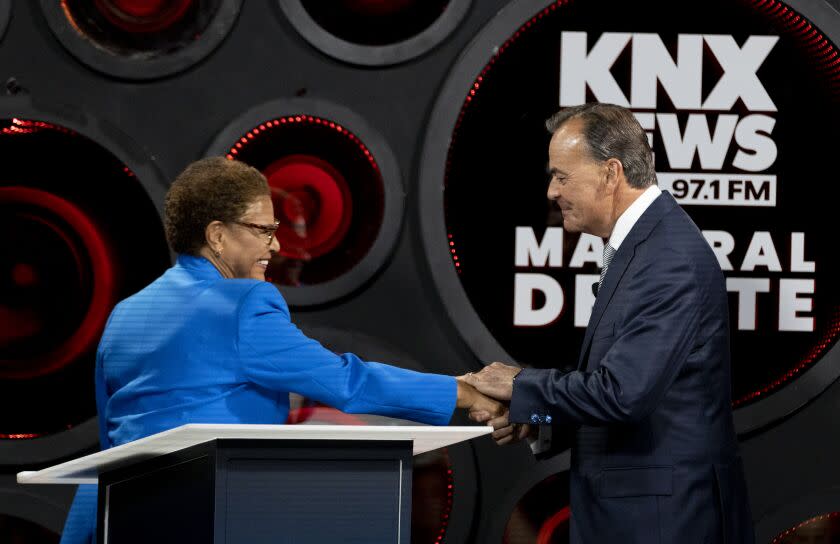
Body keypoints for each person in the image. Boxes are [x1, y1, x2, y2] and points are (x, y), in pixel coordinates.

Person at [59, 157, 502, 544]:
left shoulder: (125, 313)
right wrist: (463, 392)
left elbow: (110, 440)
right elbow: (346, 382)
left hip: (116, 519)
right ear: (217, 235)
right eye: (263, 230)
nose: (277, 244)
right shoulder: (244, 305)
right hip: (207, 515)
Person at [463, 103, 754, 543]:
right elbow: (635, 394)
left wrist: (520, 385)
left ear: (610, 173)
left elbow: (623, 394)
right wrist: (541, 418)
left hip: (661, 524)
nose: (551, 192)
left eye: (562, 176)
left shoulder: (668, 258)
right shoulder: (646, 244)